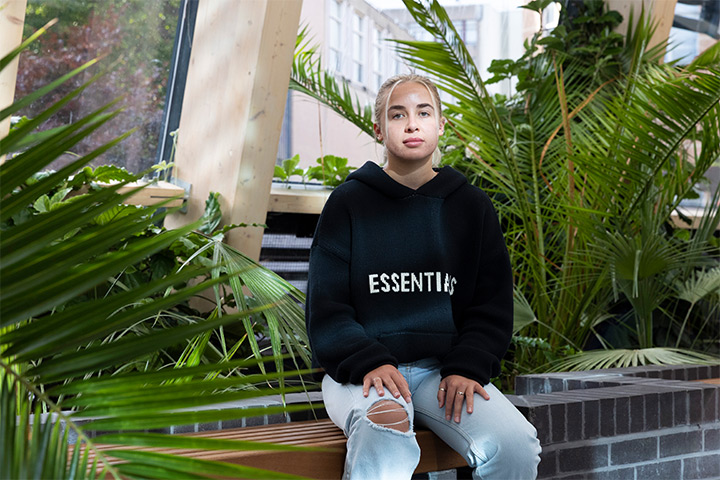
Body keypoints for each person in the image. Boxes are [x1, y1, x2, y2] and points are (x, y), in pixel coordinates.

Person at [305, 73, 541, 479]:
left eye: (423, 112)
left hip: (441, 373)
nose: (412, 123)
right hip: (362, 375)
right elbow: (326, 309)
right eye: (398, 115)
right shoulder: (348, 203)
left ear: (440, 124)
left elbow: (491, 303)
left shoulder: (471, 207)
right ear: (379, 129)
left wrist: (467, 365)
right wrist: (368, 362)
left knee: (515, 444)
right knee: (385, 428)